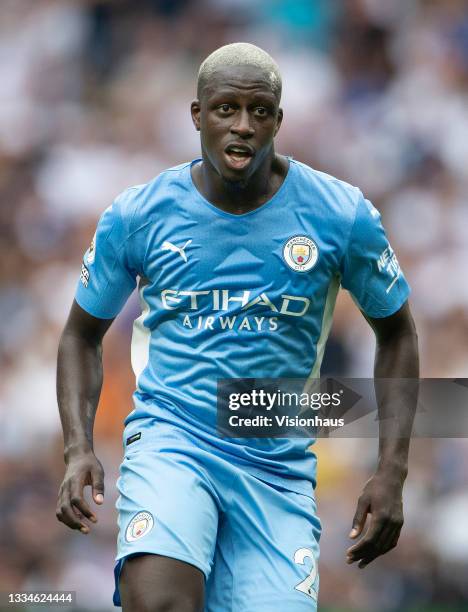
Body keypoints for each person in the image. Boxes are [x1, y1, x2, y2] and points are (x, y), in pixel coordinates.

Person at [56, 42, 419, 611]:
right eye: (226, 109)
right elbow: (80, 336)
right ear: (198, 114)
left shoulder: (340, 215)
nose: (242, 126)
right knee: (159, 602)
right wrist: (78, 448)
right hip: (173, 440)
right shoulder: (139, 214)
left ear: (279, 118)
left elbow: (398, 334)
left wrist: (391, 472)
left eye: (259, 111)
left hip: (277, 468)